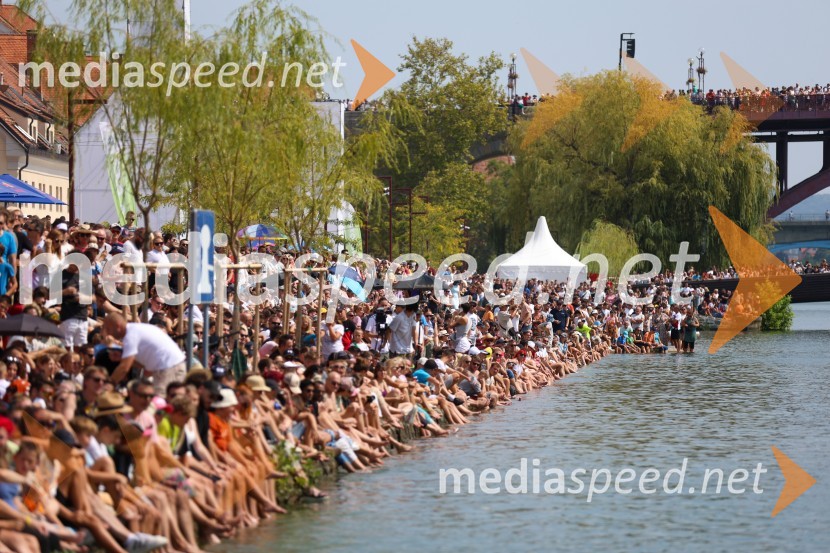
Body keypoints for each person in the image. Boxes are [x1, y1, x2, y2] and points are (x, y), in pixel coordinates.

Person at [102, 313, 186, 395]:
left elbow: (124, 368)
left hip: (169, 367)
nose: (109, 334)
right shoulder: (134, 330)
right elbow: (141, 365)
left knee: (162, 402)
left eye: (108, 329)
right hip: (168, 367)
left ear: (118, 326)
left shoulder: (130, 335)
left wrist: (109, 384)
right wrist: (122, 358)